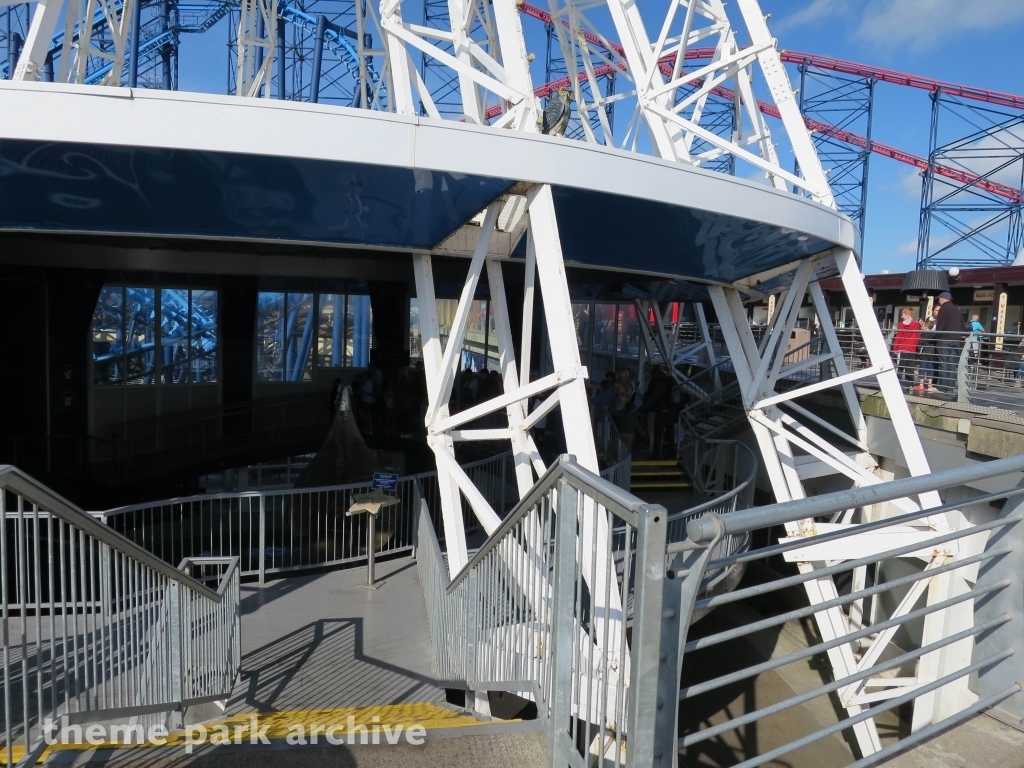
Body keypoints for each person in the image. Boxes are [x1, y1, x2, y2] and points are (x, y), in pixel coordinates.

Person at [933, 291, 963, 394]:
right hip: (956, 340)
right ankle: (950, 387)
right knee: (952, 363)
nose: (938, 301)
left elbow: (940, 326)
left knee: (944, 363)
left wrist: (936, 337)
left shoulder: (943, 309)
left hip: (945, 339)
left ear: (943, 299)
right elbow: (963, 326)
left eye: (939, 299)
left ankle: (942, 386)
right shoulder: (957, 310)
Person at [891, 308, 921, 390]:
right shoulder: (917, 325)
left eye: (903, 314)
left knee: (899, 366)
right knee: (910, 367)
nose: (901, 316)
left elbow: (899, 336)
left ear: (908, 315)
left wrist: (895, 348)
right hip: (911, 349)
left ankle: (898, 382)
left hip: (902, 348)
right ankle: (910, 384)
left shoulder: (901, 324)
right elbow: (917, 337)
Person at [915, 318, 938, 394]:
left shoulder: (923, 334)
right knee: (930, 369)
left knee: (922, 368)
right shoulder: (934, 334)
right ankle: (930, 385)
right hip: (932, 354)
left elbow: (921, 342)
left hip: (924, 354)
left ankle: (921, 384)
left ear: (926, 326)